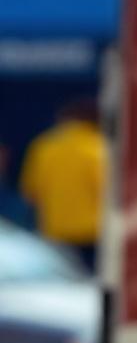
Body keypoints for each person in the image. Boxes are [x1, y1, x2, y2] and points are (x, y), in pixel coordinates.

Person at [20, 97, 108, 271]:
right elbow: (109, 193)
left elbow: (30, 193)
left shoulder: (43, 146)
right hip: (93, 232)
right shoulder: (98, 147)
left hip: (54, 231)